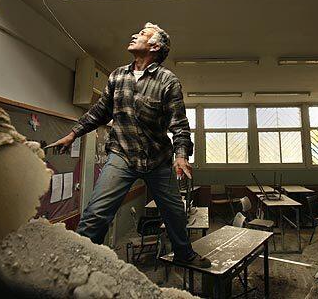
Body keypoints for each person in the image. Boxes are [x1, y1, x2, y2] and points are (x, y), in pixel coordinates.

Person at [48, 22, 211, 268]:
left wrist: (181, 156)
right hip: (121, 155)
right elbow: (100, 112)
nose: (135, 35)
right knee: (96, 213)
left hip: (158, 159)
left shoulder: (168, 81)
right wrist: (73, 134)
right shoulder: (117, 76)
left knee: (175, 212)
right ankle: (78, 261)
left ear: (156, 46)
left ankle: (184, 254)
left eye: (143, 34)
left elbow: (179, 124)